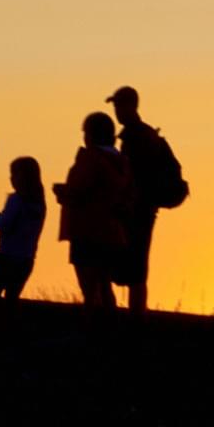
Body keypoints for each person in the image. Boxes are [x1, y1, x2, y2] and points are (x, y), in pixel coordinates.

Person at [107, 86, 179, 314]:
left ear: (131, 106)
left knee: (131, 266)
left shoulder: (137, 137)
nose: (116, 111)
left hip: (136, 210)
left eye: (118, 105)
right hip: (143, 209)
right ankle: (136, 319)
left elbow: (135, 175)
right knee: (135, 265)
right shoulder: (143, 134)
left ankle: (135, 320)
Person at [52, 112, 134, 308]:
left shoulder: (91, 159)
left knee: (90, 290)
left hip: (87, 231)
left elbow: (80, 190)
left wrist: (62, 192)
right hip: (112, 233)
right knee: (105, 287)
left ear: (90, 134)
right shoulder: (122, 163)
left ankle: (94, 333)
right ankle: (110, 331)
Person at [0, 157, 46, 303]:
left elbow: (4, 224)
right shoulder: (39, 205)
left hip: (7, 257)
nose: (11, 178)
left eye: (14, 174)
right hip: (26, 259)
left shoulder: (16, 199)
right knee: (11, 299)